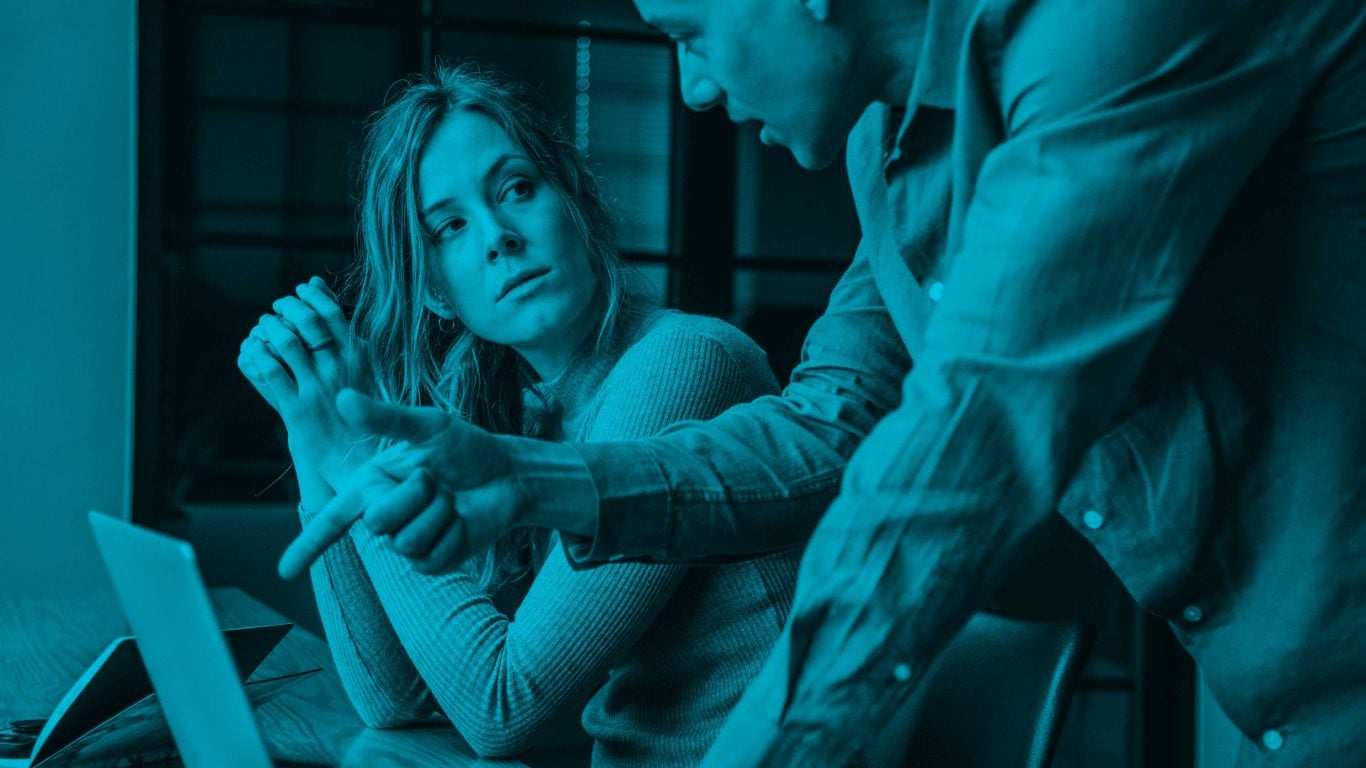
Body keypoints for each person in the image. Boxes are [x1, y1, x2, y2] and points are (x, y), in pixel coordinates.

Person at [280, 1, 1366, 765]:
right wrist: (536, 478)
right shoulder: (887, 153)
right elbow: (830, 422)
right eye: (451, 230)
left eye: (689, 34)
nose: (694, 89)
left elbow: (970, 438)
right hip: (1280, 696)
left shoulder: (1108, 30)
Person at [239, 63, 799, 766]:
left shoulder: (685, 362)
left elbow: (501, 710)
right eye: (448, 227)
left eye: (517, 188)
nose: (497, 235)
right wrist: (312, 423)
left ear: (577, 202)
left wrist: (356, 457)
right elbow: (396, 699)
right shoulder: (529, 414)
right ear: (437, 295)